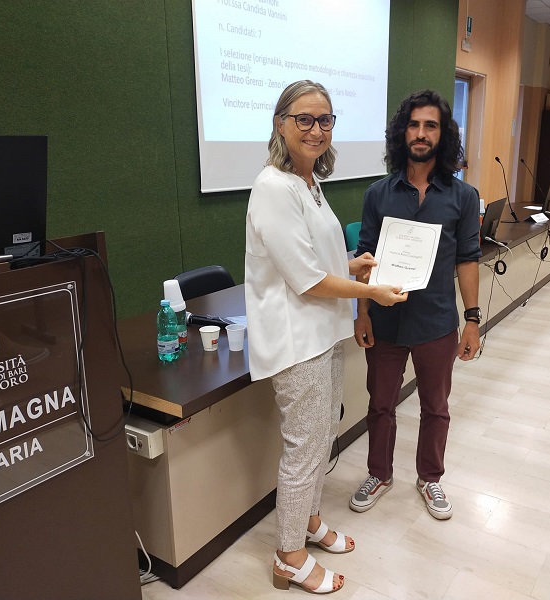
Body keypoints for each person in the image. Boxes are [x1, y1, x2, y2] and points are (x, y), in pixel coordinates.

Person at [244, 80, 407, 594]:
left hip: (322, 335)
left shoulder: (308, 183)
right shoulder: (273, 187)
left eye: (325, 120)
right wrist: (371, 292)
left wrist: (353, 265)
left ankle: (308, 523)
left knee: (321, 438)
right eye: (304, 119)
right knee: (304, 449)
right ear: (280, 124)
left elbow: (316, 258)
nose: (316, 130)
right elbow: (307, 279)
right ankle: (288, 556)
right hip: (297, 343)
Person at [349, 89, 482, 521]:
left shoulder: (463, 196)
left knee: (436, 407)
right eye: (413, 125)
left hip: (436, 322)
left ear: (443, 135)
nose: (421, 133)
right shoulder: (378, 194)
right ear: (401, 132)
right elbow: (365, 259)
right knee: (380, 404)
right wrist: (362, 313)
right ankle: (379, 474)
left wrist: (472, 320)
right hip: (385, 320)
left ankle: (430, 478)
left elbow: (468, 259)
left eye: (430, 126)